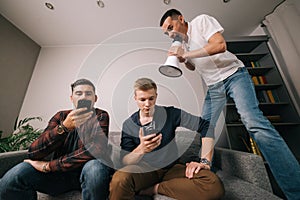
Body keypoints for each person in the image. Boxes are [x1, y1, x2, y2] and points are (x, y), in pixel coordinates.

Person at [159, 9, 300, 200]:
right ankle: (205, 164)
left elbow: (220, 45)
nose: (170, 33)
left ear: (181, 19)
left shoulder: (201, 21)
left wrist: (188, 52)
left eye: (170, 27)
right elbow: (193, 65)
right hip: (213, 86)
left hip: (234, 75)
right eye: (166, 32)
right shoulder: (183, 44)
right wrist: (183, 58)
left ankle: (295, 191)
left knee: (252, 122)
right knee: (206, 127)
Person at [109, 77, 224, 200]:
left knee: (213, 184)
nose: (147, 104)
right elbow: (125, 161)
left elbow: (206, 126)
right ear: (135, 98)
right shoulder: (129, 124)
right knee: (119, 179)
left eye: (151, 99)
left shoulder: (170, 113)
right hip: (144, 169)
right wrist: (141, 149)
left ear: (156, 96)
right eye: (142, 100)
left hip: (172, 169)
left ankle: (155, 188)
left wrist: (205, 162)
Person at [0, 78, 114, 200]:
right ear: (72, 98)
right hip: (58, 176)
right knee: (16, 174)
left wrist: (48, 166)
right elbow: (34, 152)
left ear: (95, 99)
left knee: (95, 168)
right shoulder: (61, 116)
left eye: (88, 94)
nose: (83, 97)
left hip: (86, 175)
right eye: (79, 93)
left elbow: (94, 150)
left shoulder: (101, 115)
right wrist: (64, 128)